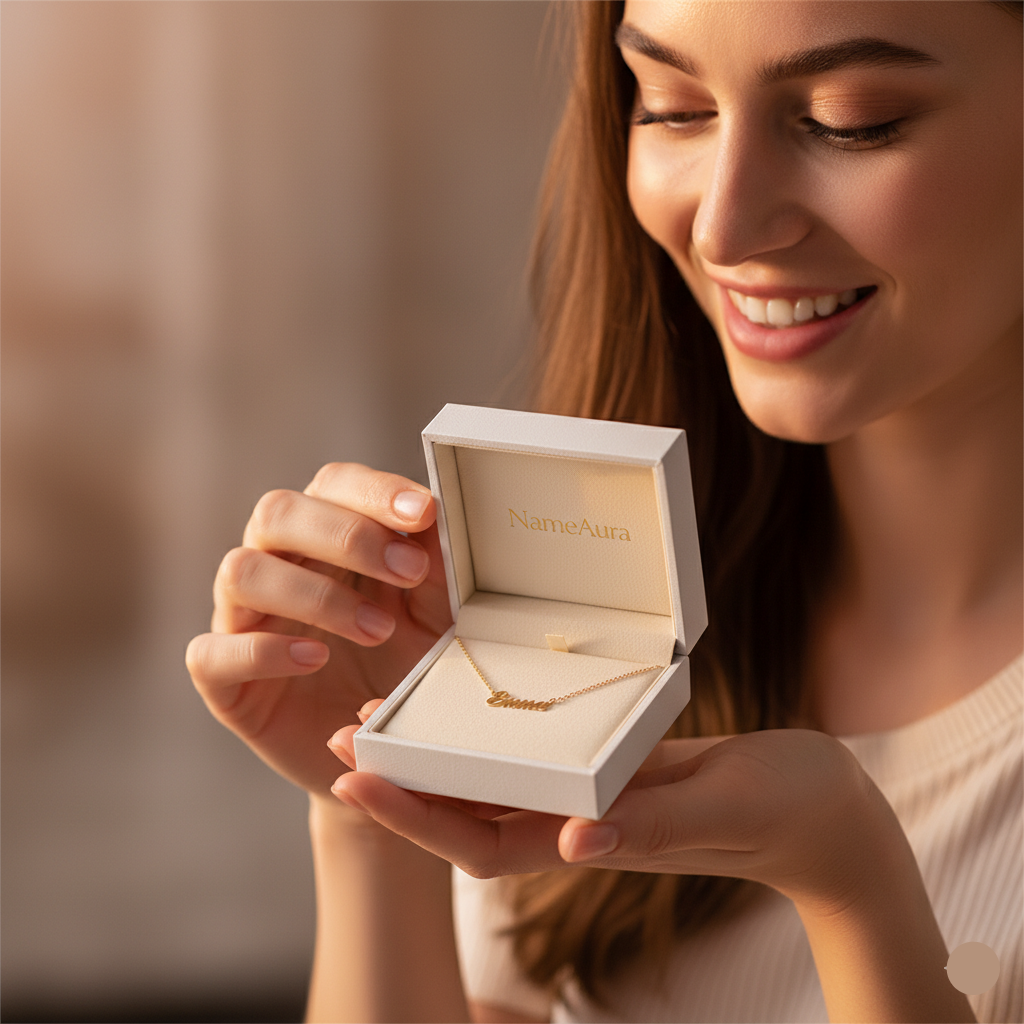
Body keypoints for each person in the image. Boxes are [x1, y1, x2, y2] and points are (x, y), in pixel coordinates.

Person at [185, 1, 1023, 1021]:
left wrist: (851, 886)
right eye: (671, 108)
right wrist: (375, 798)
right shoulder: (593, 647)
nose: (721, 223)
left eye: (848, 121)